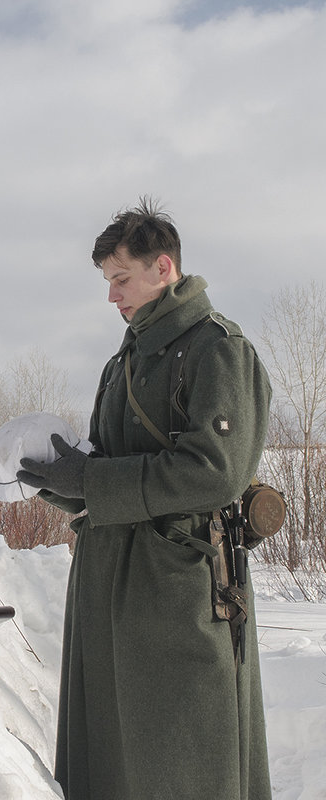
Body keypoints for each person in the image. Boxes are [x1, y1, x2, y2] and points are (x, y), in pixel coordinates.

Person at [17, 198, 272, 800]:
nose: (112, 296)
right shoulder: (123, 362)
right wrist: (61, 481)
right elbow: (109, 471)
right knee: (111, 762)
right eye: (108, 281)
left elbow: (216, 472)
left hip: (178, 591)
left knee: (182, 763)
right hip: (110, 586)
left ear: (164, 268)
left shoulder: (219, 350)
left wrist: (92, 482)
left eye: (122, 278)